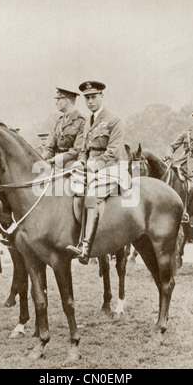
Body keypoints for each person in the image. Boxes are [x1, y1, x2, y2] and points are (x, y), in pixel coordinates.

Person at [66, 81, 125, 265]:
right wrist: (80, 162)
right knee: (67, 189)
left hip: (110, 168)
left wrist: (94, 165)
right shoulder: (87, 122)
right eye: (87, 98)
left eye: (93, 97)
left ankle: (85, 248)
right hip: (90, 167)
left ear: (101, 97)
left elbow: (114, 151)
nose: (90, 101)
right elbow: (83, 149)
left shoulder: (114, 120)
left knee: (91, 196)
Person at [41, 87, 86, 169]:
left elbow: (77, 150)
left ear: (66, 101)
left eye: (58, 99)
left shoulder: (82, 121)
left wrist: (55, 160)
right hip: (55, 165)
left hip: (72, 166)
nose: (56, 103)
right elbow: (50, 147)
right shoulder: (59, 121)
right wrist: (42, 159)